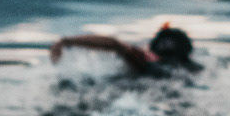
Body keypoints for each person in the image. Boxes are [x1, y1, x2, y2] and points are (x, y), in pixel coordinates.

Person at [49, 22, 201, 76]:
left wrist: (66, 41)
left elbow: (115, 45)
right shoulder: (196, 69)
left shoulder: (145, 63)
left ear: (152, 53)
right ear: (189, 53)